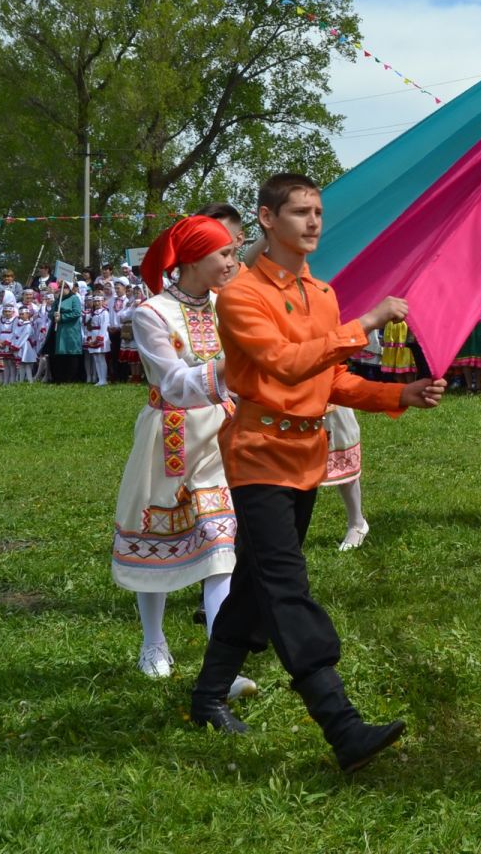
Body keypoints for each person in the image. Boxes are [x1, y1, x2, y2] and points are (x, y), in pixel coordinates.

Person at [188, 173, 445, 772]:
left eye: (318, 213)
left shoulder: (323, 294)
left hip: (305, 457)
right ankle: (341, 724)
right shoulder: (241, 294)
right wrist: (366, 325)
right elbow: (281, 364)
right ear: (266, 219)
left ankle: (206, 696)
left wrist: (396, 395)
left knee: (254, 583)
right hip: (257, 456)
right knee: (285, 586)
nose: (313, 223)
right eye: (300, 212)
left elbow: (325, 378)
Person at [111, 216, 247, 682]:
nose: (233, 262)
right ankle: (153, 641)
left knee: (221, 545)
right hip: (170, 437)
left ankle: (219, 667)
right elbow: (172, 383)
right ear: (192, 259)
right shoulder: (151, 313)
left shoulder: (229, 304)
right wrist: (235, 366)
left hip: (223, 439)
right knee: (159, 543)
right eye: (224, 254)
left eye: (234, 253)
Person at [84, 289, 113, 386]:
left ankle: (104, 379)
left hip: (101, 335)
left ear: (102, 301)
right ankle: (99, 378)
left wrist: (99, 338)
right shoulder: (92, 312)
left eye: (98, 301)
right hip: (92, 334)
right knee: (96, 357)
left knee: (101, 357)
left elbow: (104, 326)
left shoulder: (104, 312)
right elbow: (86, 322)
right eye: (95, 301)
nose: (96, 303)